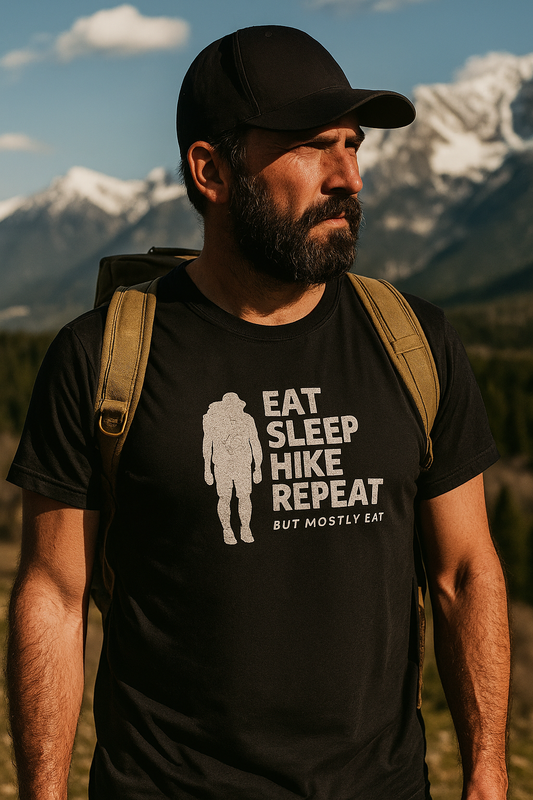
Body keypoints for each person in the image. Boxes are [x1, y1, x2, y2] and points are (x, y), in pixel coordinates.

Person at [6, 25, 510, 800]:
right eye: (312, 147)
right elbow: (53, 593)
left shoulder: (416, 343)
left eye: (353, 145)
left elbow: (465, 573)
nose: (348, 177)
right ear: (211, 170)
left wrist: (486, 774)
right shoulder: (100, 357)